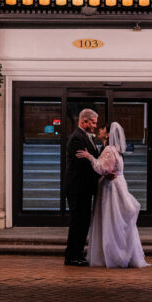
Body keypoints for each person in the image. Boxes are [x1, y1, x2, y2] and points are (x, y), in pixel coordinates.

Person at [76, 122, 150, 268]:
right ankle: (117, 252)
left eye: (103, 128)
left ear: (108, 133)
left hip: (111, 189)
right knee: (116, 222)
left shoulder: (109, 149)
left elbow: (103, 168)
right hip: (118, 185)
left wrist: (90, 157)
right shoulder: (115, 149)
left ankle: (112, 255)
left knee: (111, 221)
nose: (100, 130)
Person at [63, 108, 106, 266]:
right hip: (77, 187)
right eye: (93, 123)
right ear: (84, 121)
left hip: (84, 188)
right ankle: (72, 256)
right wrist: (102, 173)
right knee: (78, 222)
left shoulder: (87, 137)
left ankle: (78, 253)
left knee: (83, 221)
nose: (95, 126)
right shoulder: (77, 138)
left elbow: (93, 159)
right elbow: (83, 164)